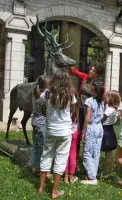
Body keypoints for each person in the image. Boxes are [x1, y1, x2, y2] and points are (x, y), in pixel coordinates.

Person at [37, 69, 77, 199]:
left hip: (50, 129)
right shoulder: (70, 94)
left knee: (46, 156)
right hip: (65, 131)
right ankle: (54, 191)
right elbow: (73, 110)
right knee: (60, 159)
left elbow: (40, 102)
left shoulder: (47, 94)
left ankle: (41, 187)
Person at [70, 63, 105, 153]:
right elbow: (74, 71)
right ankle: (76, 151)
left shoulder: (99, 84)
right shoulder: (85, 77)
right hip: (80, 108)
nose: (90, 71)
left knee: (87, 131)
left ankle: (88, 152)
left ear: (98, 74)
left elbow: (102, 97)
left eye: (93, 70)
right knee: (77, 130)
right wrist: (70, 63)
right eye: (91, 69)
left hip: (90, 110)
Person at [80, 80, 105, 185]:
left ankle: (92, 176)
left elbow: (87, 117)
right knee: (96, 152)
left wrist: (83, 131)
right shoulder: (101, 101)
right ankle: (92, 172)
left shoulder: (89, 101)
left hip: (91, 128)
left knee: (87, 152)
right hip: (99, 127)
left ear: (92, 89)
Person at [26, 75, 50, 175]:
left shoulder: (36, 94)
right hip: (41, 124)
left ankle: (31, 165)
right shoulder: (43, 97)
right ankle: (39, 170)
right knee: (41, 148)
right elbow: (45, 112)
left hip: (35, 122)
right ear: (47, 85)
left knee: (35, 146)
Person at [101, 90, 121, 178]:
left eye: (106, 96)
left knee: (108, 153)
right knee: (109, 153)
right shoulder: (113, 109)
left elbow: (102, 119)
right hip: (110, 130)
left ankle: (106, 173)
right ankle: (109, 171)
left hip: (105, 131)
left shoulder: (108, 110)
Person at [64, 97, 80, 184]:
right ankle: (71, 177)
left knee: (65, 154)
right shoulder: (76, 111)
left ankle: (65, 177)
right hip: (74, 133)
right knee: (73, 155)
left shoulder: (66, 111)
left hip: (66, 133)